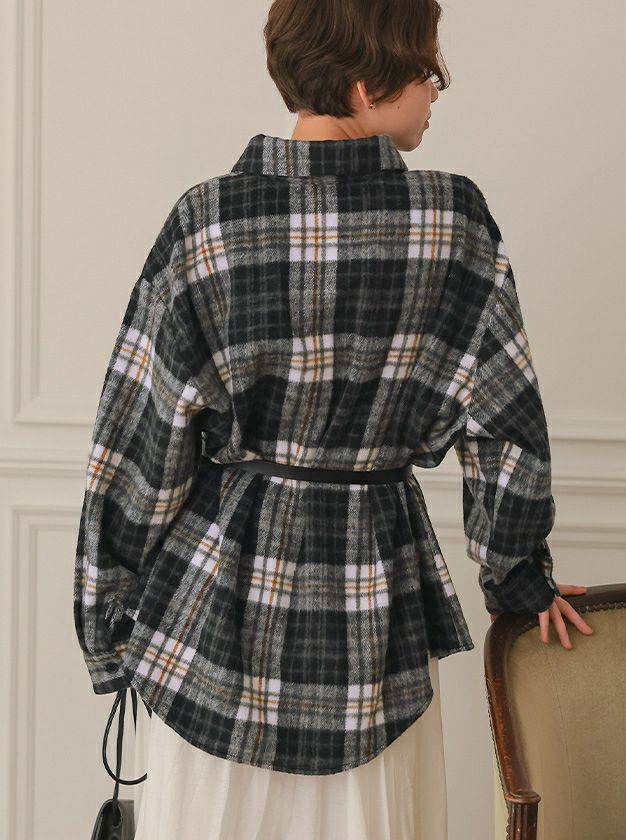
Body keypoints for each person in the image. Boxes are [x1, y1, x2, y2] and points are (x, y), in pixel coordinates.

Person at [74, 0, 594, 837]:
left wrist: (108, 617)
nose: (437, 88)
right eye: (425, 67)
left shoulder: (206, 221)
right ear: (363, 84)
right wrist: (518, 575)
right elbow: (505, 427)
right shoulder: (453, 222)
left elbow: (138, 439)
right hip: (376, 628)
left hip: (210, 625)